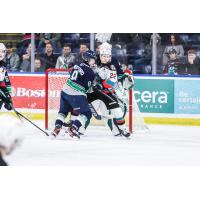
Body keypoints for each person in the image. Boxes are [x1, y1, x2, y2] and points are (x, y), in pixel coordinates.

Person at [86, 42, 132, 137]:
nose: (106, 58)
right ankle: (78, 129)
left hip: (107, 93)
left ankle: (123, 129)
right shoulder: (94, 61)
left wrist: (102, 84)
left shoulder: (111, 67)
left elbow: (112, 82)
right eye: (103, 56)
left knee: (116, 112)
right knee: (86, 112)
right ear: (100, 55)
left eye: (108, 56)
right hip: (94, 92)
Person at [51, 50, 97, 139]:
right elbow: (87, 89)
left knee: (63, 112)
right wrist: (94, 84)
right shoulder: (90, 72)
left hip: (65, 90)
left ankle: (56, 128)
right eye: (93, 59)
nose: (94, 61)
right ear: (87, 59)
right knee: (87, 113)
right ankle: (73, 129)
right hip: (76, 93)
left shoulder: (77, 64)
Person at [0, 43, 13, 111]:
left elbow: (5, 80)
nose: (0, 54)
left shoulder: (3, 65)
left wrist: (8, 96)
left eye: (2, 51)